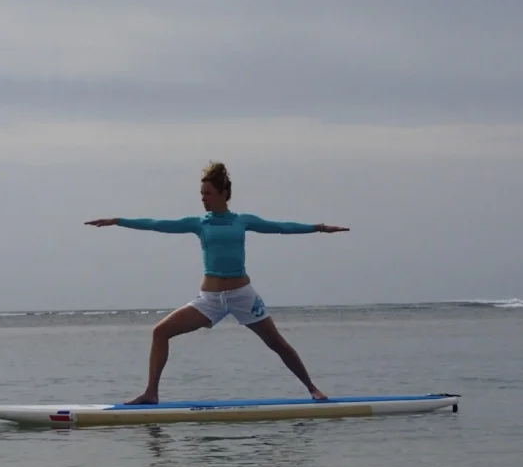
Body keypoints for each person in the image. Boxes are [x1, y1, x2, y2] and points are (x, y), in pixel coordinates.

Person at [85, 162, 349, 404]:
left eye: (208, 194)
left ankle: (312, 387)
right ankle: (151, 393)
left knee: (276, 342)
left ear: (224, 193)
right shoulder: (199, 223)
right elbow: (157, 224)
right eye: (201, 194)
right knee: (160, 332)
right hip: (209, 299)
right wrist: (118, 221)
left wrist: (319, 228)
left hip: (243, 295)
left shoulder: (242, 221)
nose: (203, 199)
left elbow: (282, 227)